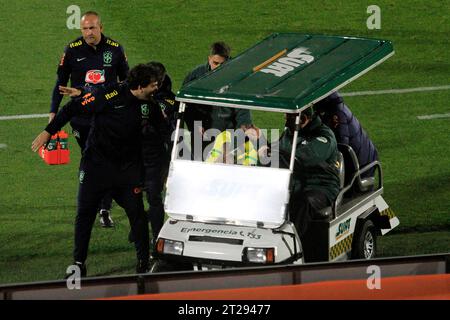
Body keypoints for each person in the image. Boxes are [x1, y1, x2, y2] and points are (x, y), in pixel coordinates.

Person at [32, 63, 166, 276]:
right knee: (85, 214)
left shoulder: (150, 106)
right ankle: (78, 263)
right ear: (140, 87)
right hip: (97, 167)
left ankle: (143, 262)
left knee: (137, 214)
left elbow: (164, 132)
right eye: (152, 85)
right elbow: (72, 108)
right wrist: (48, 132)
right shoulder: (109, 95)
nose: (156, 88)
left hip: (127, 170)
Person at [49, 11, 129, 227]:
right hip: (81, 118)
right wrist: (53, 112)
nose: (89, 33)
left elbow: (126, 81)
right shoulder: (72, 50)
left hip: (106, 116)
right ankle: (92, 202)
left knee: (106, 158)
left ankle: (103, 208)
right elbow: (60, 82)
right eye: (85, 29)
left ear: (100, 27)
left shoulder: (115, 49)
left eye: (92, 28)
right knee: (90, 158)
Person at [260, 108, 340, 242]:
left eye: (289, 119)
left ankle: (291, 243)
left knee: (302, 202)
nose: (285, 122)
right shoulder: (289, 132)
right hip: (294, 183)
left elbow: (302, 160)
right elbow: (278, 151)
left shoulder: (324, 137)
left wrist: (274, 153)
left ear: (303, 119)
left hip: (320, 186)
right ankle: (262, 237)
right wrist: (263, 145)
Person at [182, 41, 254, 160]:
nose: (218, 68)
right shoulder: (195, 78)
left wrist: (243, 128)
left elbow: (242, 108)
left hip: (227, 137)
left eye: (223, 64)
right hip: (202, 135)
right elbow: (185, 105)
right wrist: (194, 125)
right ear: (209, 58)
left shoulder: (236, 80)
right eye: (215, 63)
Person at [140, 62, 177, 241]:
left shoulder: (169, 102)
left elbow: (173, 131)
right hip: (135, 154)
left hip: (157, 157)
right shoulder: (135, 94)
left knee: (154, 197)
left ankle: (156, 239)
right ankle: (139, 223)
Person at [313, 91, 378, 177]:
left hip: (363, 162)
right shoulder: (332, 110)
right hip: (364, 156)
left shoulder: (337, 115)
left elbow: (342, 146)